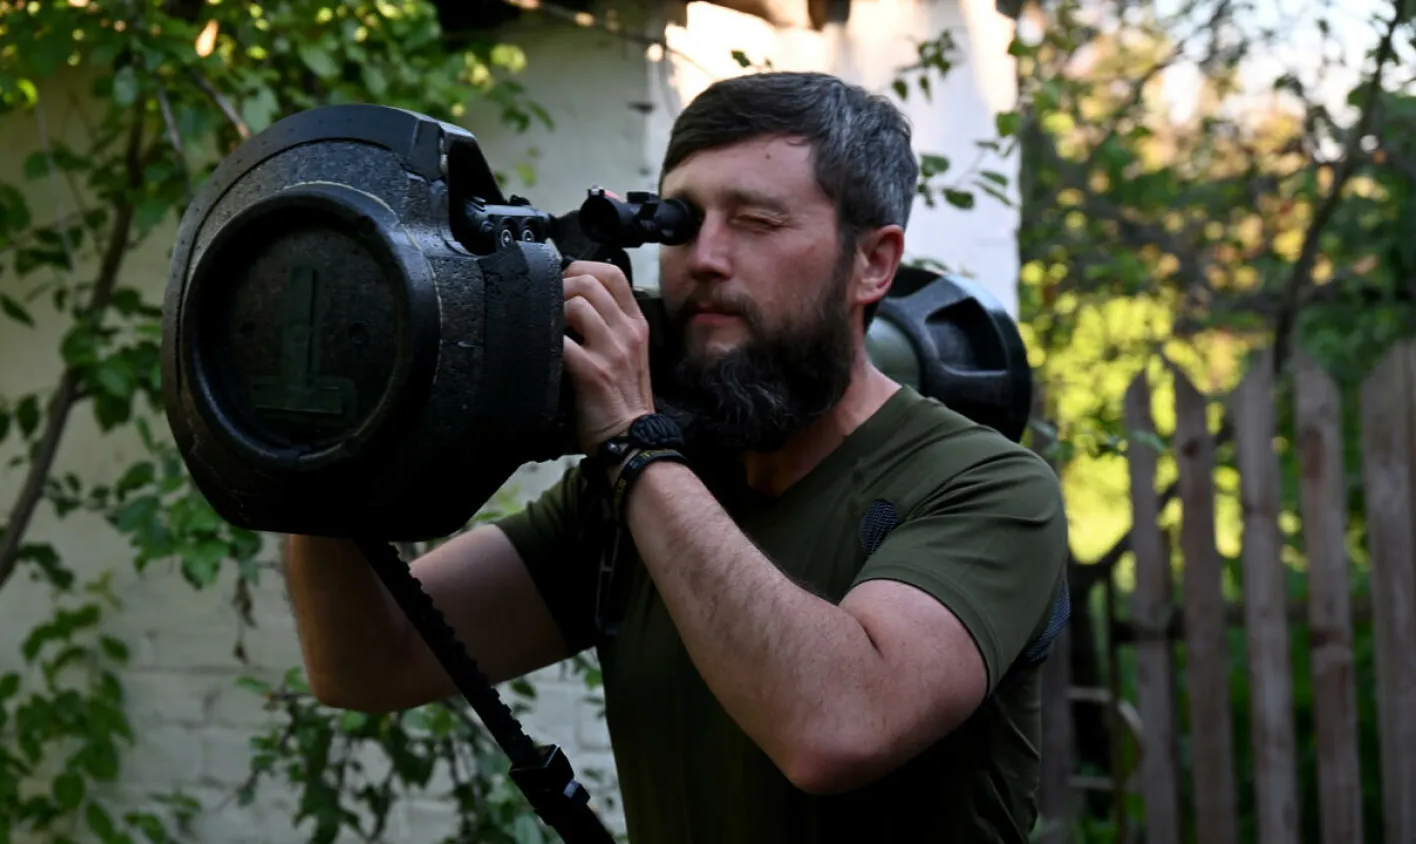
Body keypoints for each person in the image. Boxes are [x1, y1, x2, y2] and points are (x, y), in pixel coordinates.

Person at [282, 71, 1070, 843]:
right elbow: (367, 662)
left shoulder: (988, 487)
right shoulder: (643, 492)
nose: (707, 259)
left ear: (874, 263)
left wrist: (633, 440)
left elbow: (837, 727)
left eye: (757, 222)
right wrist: (336, 432)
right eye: (682, 224)